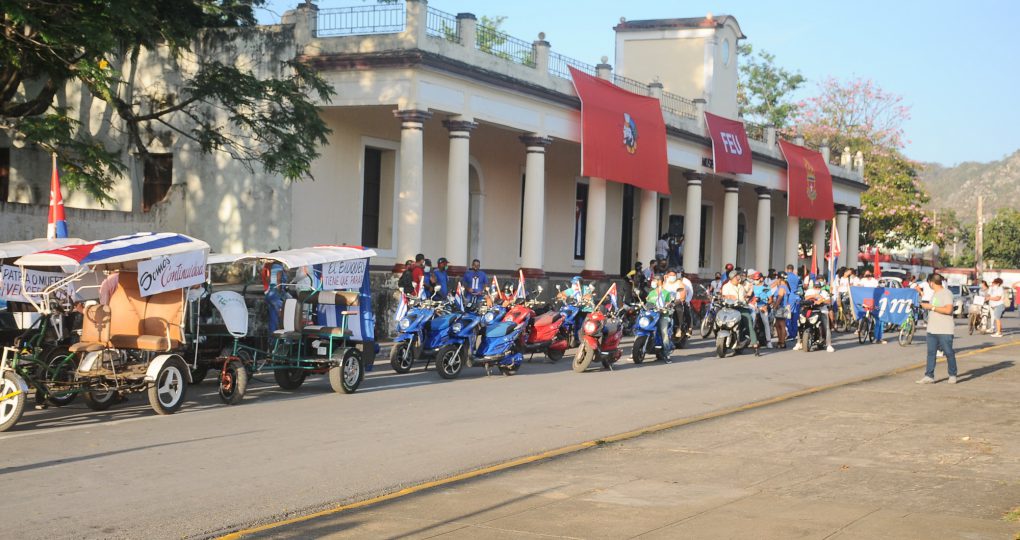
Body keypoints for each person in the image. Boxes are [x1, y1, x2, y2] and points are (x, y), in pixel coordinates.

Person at [917, 273, 959, 384]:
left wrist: (931, 307)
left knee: (948, 352)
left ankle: (952, 374)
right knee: (931, 353)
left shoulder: (946, 293)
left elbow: (948, 310)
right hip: (932, 329)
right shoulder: (934, 294)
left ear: (931, 283)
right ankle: (929, 375)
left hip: (944, 329)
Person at [721, 270, 759, 354]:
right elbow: (723, 296)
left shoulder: (741, 286)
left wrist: (748, 296)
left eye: (738, 276)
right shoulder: (726, 286)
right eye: (736, 277)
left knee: (748, 320)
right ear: (732, 278)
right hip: (729, 309)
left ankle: (754, 343)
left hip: (741, 308)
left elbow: (744, 298)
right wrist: (729, 296)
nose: (738, 278)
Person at [796, 279, 834, 352]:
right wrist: (814, 296)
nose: (817, 289)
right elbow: (805, 298)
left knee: (826, 326)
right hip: (810, 310)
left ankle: (829, 345)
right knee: (800, 324)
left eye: (818, 287)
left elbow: (828, 300)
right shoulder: (809, 291)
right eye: (815, 287)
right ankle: (798, 343)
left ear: (821, 287)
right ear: (813, 287)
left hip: (822, 310)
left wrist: (822, 300)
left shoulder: (824, 292)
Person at [645, 274, 676, 363]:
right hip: (652, 315)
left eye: (655, 280)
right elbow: (648, 303)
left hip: (663, 316)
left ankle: (667, 354)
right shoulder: (651, 293)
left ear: (660, 281)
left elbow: (668, 303)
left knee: (664, 333)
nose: (653, 281)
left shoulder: (666, 293)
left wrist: (668, 305)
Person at [750, 271, 774, 348]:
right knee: (751, 323)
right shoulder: (752, 286)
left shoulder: (766, 287)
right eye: (754, 279)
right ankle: (752, 341)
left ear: (761, 279)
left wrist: (766, 306)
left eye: (756, 279)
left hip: (763, 306)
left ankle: (769, 341)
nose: (755, 281)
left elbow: (770, 299)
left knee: (766, 323)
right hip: (753, 307)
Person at [771, 274, 792, 348]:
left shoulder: (782, 287)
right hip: (782, 308)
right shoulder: (784, 286)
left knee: (781, 325)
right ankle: (780, 341)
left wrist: (775, 306)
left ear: (780, 279)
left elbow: (780, 298)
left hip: (781, 308)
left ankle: (782, 342)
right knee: (777, 325)